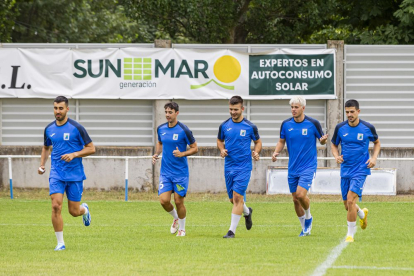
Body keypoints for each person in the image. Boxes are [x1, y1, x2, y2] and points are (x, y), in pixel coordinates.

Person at [39, 96, 95, 251]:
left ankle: (84, 210)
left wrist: (74, 154)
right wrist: (42, 165)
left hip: (75, 175)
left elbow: (91, 148)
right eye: (55, 108)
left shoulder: (77, 128)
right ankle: (60, 243)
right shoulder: (49, 129)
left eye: (61, 108)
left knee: (73, 211)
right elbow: (45, 147)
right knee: (56, 206)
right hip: (57, 173)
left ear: (67, 109)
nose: (58, 111)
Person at [272, 96, 328, 237]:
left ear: (303, 108)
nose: (293, 110)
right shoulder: (286, 124)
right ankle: (305, 228)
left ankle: (309, 217)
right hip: (293, 167)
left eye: (296, 107)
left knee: (300, 194)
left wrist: (322, 141)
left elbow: (321, 141)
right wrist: (276, 152)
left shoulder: (313, 123)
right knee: (295, 200)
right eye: (292, 107)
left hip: (308, 166)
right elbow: (281, 141)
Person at [331, 99, 380, 243]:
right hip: (346, 168)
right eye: (347, 112)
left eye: (352, 112)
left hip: (361, 169)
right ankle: (362, 214)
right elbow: (334, 145)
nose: (349, 114)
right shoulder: (340, 128)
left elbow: (377, 143)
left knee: (351, 200)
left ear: (358, 111)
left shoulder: (367, 127)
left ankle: (350, 235)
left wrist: (374, 158)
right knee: (347, 205)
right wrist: (336, 156)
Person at [217, 95, 262, 238]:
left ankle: (231, 231)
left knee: (237, 198)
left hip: (244, 167)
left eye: (235, 109)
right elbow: (219, 140)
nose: (232, 112)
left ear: (242, 109)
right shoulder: (224, 126)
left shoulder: (250, 126)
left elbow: (258, 142)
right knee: (233, 200)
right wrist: (221, 149)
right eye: (230, 109)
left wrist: (256, 152)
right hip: (229, 167)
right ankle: (247, 212)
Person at [152, 102, 198, 237]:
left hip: (180, 173)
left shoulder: (184, 130)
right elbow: (160, 143)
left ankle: (182, 229)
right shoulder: (161, 129)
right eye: (166, 112)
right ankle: (176, 218)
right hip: (166, 172)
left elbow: (195, 148)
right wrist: (156, 154)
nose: (167, 115)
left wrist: (182, 154)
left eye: (170, 112)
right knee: (164, 201)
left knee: (178, 201)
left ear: (176, 113)